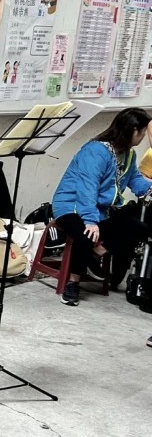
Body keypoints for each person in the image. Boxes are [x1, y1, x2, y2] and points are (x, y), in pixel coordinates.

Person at [52, 107, 152, 306]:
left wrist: (149, 189)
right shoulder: (96, 151)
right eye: (142, 132)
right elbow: (87, 187)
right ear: (133, 130)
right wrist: (90, 221)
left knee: (139, 229)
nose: (143, 137)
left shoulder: (128, 154)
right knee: (86, 234)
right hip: (71, 205)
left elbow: (135, 180)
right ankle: (72, 284)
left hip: (100, 210)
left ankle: (95, 254)